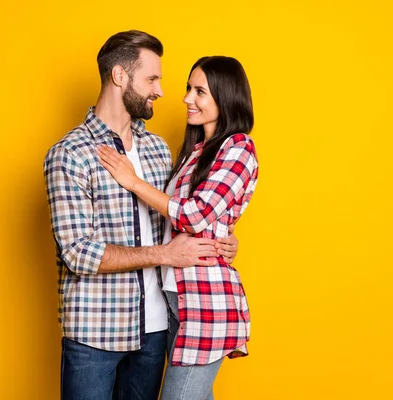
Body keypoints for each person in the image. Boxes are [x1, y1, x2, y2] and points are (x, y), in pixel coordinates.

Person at [43, 31, 239, 400]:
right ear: (120, 76)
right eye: (152, 79)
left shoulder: (158, 149)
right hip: (94, 333)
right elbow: (77, 252)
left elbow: (180, 217)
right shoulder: (70, 154)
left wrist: (220, 240)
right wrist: (164, 255)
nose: (162, 91)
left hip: (155, 331)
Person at [97, 55, 258, 400]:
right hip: (175, 298)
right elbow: (181, 222)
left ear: (226, 97)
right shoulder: (193, 152)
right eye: (189, 88)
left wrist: (133, 181)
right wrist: (225, 238)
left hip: (206, 299)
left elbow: (194, 216)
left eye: (200, 91)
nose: (186, 98)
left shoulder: (239, 147)